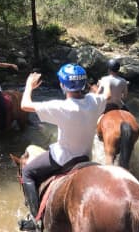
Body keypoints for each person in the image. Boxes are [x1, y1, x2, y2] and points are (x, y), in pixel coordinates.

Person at [19, 63, 111, 231]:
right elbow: (107, 96)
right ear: (84, 85)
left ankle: (36, 220)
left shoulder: (60, 107)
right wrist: (99, 88)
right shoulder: (95, 101)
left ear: (62, 85)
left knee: (27, 172)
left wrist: (29, 86)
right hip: (85, 157)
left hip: (63, 159)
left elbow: (24, 105)